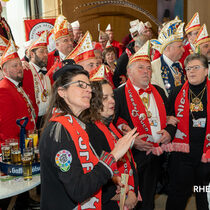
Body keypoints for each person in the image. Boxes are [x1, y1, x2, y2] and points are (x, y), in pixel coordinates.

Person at [39, 59, 138, 210]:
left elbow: (88, 171)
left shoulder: (78, 125)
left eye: (88, 86)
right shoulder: (60, 131)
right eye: (80, 85)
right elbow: (78, 190)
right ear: (61, 92)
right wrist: (112, 157)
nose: (88, 90)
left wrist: (109, 181)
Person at [114, 41, 172, 210]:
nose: (146, 72)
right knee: (131, 201)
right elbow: (111, 126)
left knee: (148, 198)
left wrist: (169, 132)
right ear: (128, 71)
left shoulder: (159, 91)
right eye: (141, 68)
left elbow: (171, 118)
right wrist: (132, 141)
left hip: (156, 155)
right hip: (132, 158)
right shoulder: (118, 94)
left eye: (148, 68)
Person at [81, 79, 142, 209]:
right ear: (92, 102)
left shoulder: (108, 125)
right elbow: (96, 173)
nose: (112, 101)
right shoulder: (91, 131)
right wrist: (124, 197)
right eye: (105, 98)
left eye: (112, 96)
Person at [163, 53, 210, 210]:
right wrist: (168, 128)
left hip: (207, 155)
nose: (191, 71)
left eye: (196, 67)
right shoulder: (176, 92)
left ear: (206, 70)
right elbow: (169, 119)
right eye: (188, 68)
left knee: (204, 196)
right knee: (178, 195)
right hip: (182, 156)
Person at [0, 39, 37, 144]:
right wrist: (17, 148)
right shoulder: (3, 89)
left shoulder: (15, 86)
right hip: (16, 148)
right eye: (14, 66)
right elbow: (6, 127)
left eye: (19, 64)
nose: (19, 68)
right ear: (5, 71)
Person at [151, 20, 186, 96]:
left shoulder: (178, 64)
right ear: (168, 48)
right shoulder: (153, 67)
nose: (183, 50)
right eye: (179, 46)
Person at [27, 31, 52, 130]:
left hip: (46, 118)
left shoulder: (46, 72)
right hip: (34, 120)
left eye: (46, 51)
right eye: (42, 51)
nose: (46, 54)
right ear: (32, 54)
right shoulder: (26, 69)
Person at [47, 15, 74, 82]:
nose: (70, 43)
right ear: (57, 44)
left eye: (71, 39)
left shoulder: (79, 55)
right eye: (66, 40)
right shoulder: (49, 58)